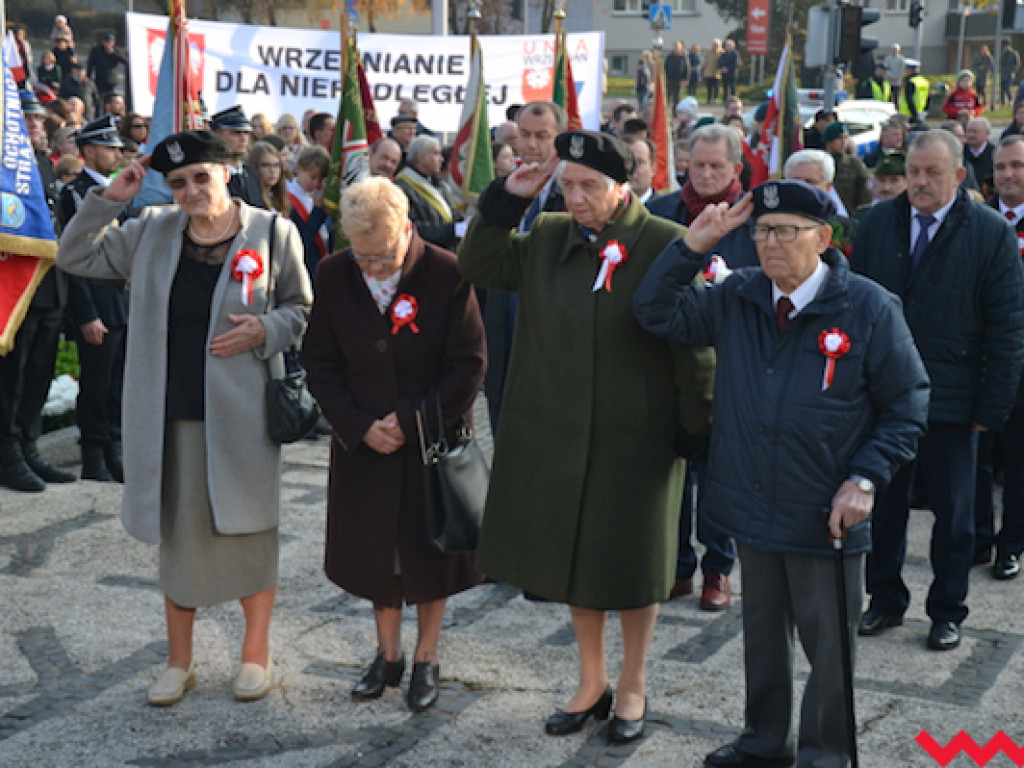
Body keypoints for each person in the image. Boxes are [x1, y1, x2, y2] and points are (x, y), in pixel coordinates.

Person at [633, 178, 929, 768]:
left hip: (827, 511)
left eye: (786, 232)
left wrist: (866, 478)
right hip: (752, 500)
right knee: (763, 643)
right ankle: (764, 743)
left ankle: (827, 755)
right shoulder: (738, 295)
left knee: (830, 650)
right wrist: (692, 247)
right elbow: (654, 310)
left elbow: (908, 403)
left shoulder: (868, 307)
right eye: (762, 231)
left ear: (822, 238)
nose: (770, 243)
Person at [459, 130, 715, 744]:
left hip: (639, 437)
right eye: (567, 185)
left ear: (622, 187)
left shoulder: (665, 242)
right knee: (577, 562)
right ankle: (591, 680)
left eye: (589, 187)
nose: (575, 198)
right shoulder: (548, 236)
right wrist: (506, 201)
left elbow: (696, 345)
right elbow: (479, 264)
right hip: (558, 432)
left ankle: (633, 683)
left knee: (632, 565)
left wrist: (694, 427)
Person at [56, 130, 313, 706]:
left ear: (227, 171)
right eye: (177, 182)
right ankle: (180, 662)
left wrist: (264, 329)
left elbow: (300, 308)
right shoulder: (150, 230)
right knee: (179, 539)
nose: (191, 190)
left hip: (244, 412)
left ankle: (255, 654)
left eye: (201, 176)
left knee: (250, 534)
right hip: (169, 414)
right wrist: (111, 199)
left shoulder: (273, 232)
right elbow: (73, 255)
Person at [302, 176, 484, 712]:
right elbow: (320, 362)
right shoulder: (336, 273)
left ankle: (426, 657)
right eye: (362, 259)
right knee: (378, 556)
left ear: (405, 229)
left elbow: (468, 364)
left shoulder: (448, 273)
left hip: (428, 441)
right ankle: (388, 654)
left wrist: (410, 421)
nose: (372, 270)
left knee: (427, 558)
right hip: (366, 445)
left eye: (381, 258)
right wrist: (358, 425)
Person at [850, 129, 1024, 651]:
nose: (919, 183)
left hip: (955, 404)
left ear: (958, 175)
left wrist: (991, 408)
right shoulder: (877, 222)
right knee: (883, 507)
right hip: (885, 399)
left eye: (931, 173)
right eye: (913, 173)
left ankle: (948, 609)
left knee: (956, 518)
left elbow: (1008, 326)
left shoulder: (989, 232)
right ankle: (884, 599)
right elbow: (854, 306)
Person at [648, 124, 756, 610]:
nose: (707, 174)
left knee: (718, 476)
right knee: (670, 470)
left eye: (718, 166)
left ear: (737, 169)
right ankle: (675, 566)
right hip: (668, 365)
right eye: (699, 165)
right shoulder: (660, 212)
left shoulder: (757, 220)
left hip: (731, 368)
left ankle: (718, 567)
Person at [0, 91, 76, 493]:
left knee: (38, 375)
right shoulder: (4, 168)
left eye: (39, 121)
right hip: (18, 290)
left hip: (50, 287)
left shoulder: (43, 169)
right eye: (27, 121)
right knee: (11, 378)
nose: (36, 127)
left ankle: (28, 446)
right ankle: (7, 452)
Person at [481, 101, 567, 437]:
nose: (531, 145)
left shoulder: (572, 194)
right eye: (524, 135)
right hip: (503, 332)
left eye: (542, 136)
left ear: (559, 138)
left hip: (549, 343)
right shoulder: (500, 191)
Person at [56, 115, 128, 483]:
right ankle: (94, 456)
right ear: (86, 151)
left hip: (121, 302)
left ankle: (114, 449)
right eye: (107, 146)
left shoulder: (120, 189)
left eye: (118, 146)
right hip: (96, 306)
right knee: (96, 386)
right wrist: (85, 314)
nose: (116, 153)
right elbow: (73, 261)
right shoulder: (74, 193)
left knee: (117, 385)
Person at [975, 134, 1024, 582]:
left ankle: (1011, 544)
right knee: (975, 460)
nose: (1009, 175)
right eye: (1003, 167)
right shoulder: (976, 221)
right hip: (979, 364)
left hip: (1022, 368)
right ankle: (977, 538)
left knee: (1018, 464)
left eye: (1018, 166)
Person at [395, 135, 465, 251]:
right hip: (425, 255)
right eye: (436, 153)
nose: (441, 159)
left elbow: (452, 214)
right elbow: (412, 229)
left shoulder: (441, 185)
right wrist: (452, 230)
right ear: (421, 157)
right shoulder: (402, 187)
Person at [287, 146, 331, 280]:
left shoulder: (318, 194)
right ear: (299, 168)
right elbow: (300, 241)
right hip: (301, 269)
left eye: (320, 179)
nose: (316, 183)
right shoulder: (287, 197)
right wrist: (318, 210)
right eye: (312, 177)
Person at [211, 106, 264, 209]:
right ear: (217, 135)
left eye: (246, 133)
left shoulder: (253, 174)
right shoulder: (212, 175)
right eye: (236, 133)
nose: (243, 138)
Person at [824, 122, 872, 214]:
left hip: (849, 214)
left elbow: (865, 193)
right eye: (839, 138)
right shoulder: (820, 161)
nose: (843, 142)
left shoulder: (854, 163)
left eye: (845, 138)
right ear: (828, 140)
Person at [248, 141, 289, 214]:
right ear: (254, 167)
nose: (272, 171)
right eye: (265, 165)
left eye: (276, 165)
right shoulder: (251, 200)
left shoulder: (281, 197)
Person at [86, 33, 126, 99]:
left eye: (110, 43)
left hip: (111, 80)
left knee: (110, 98)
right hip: (99, 79)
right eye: (106, 42)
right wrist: (88, 76)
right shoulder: (96, 50)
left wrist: (114, 54)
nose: (108, 45)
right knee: (99, 97)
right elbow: (90, 64)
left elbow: (124, 61)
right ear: (103, 42)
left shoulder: (116, 50)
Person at [964, 116, 995, 193]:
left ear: (987, 133)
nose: (971, 135)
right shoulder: (960, 153)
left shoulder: (995, 154)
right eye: (969, 131)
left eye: (975, 132)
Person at [899, 59, 929, 126]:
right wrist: (924, 112)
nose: (905, 71)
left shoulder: (911, 82)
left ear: (910, 70)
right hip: (920, 113)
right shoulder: (924, 81)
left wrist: (915, 115)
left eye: (907, 69)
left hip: (907, 114)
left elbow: (909, 99)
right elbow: (928, 98)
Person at [665, 41, 688, 107]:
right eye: (675, 47)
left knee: (677, 98)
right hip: (669, 79)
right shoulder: (669, 57)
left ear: (681, 48)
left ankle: (675, 113)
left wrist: (686, 79)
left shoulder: (683, 57)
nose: (676, 48)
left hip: (679, 80)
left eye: (677, 47)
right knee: (667, 97)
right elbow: (665, 68)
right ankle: (666, 112)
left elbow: (687, 68)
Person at [1000, 40, 1020, 107]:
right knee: (1002, 89)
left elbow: (1017, 64)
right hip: (1003, 74)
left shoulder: (1014, 53)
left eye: (1006, 46)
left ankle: (1010, 99)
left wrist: (1013, 70)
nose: (1005, 47)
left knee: (1007, 87)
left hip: (1010, 74)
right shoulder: (1003, 54)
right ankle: (1002, 102)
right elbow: (1001, 63)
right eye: (1004, 46)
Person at [703, 39, 723, 105]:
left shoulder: (722, 52)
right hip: (708, 72)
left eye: (717, 45)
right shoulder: (708, 52)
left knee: (716, 87)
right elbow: (705, 61)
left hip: (717, 73)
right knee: (709, 87)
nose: (715, 46)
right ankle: (708, 99)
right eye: (714, 45)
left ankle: (715, 98)